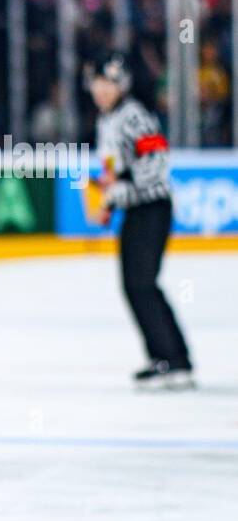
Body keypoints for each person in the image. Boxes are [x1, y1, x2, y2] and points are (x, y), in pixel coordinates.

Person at [86, 53, 194, 389]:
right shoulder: (107, 120)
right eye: (98, 84)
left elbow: (156, 162)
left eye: (109, 84)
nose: (102, 91)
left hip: (152, 209)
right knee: (138, 286)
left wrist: (114, 192)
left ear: (123, 87)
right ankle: (168, 358)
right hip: (137, 210)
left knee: (141, 284)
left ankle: (172, 360)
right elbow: (117, 170)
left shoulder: (133, 117)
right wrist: (109, 195)